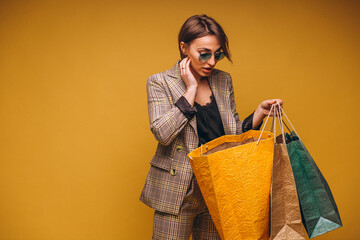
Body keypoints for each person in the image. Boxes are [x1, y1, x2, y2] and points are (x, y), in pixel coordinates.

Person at [140, 14, 283, 240]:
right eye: (204, 53)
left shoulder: (222, 80)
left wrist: (259, 113)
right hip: (178, 189)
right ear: (184, 47)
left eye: (218, 54)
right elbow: (162, 133)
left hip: (217, 186)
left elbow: (231, 136)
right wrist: (190, 90)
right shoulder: (160, 82)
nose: (212, 61)